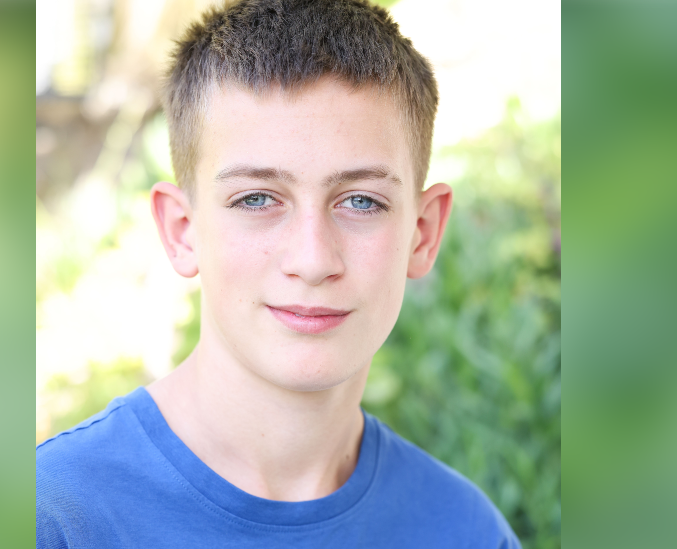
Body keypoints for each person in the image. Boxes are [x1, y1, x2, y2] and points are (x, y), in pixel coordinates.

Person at [36, 0, 521, 547]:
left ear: (424, 232)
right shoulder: (55, 518)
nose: (312, 260)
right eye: (258, 198)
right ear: (181, 230)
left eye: (361, 201)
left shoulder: (464, 531)